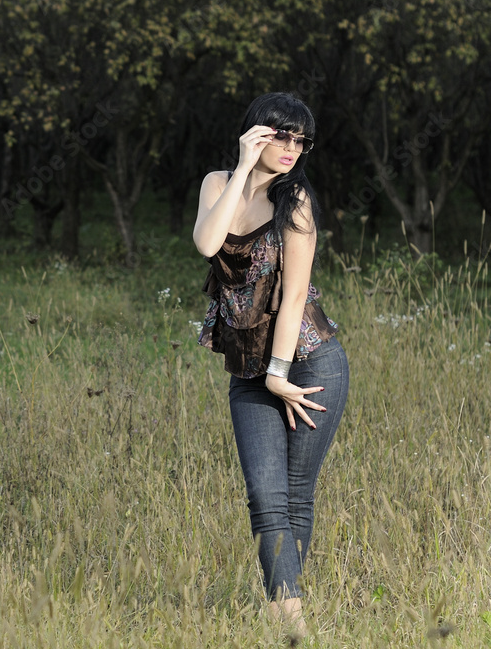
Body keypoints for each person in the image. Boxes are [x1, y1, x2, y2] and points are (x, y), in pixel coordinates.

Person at [193, 92, 349, 636]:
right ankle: (293, 621)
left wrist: (280, 373)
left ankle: (289, 625)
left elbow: (295, 293)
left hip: (308, 362)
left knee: (295, 494)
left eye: (300, 140)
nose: (292, 149)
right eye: (281, 135)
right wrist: (240, 168)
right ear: (254, 133)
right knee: (265, 494)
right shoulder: (218, 183)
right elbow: (208, 241)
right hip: (248, 370)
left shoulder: (296, 198)